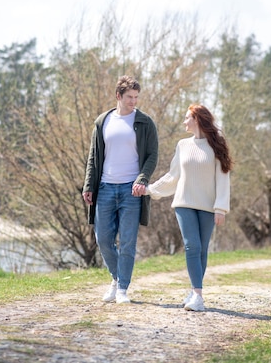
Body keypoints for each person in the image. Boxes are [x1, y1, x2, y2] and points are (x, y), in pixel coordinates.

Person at [141, 104, 232, 311]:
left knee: (201, 250)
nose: (184, 122)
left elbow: (223, 178)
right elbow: (173, 176)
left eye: (186, 118)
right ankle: (198, 297)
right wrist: (150, 189)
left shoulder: (217, 145)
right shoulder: (182, 145)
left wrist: (221, 208)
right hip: (184, 203)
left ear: (197, 119)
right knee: (192, 245)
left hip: (208, 206)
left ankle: (194, 291)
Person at [82, 75, 159, 304]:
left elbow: (152, 155)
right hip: (105, 187)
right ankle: (116, 278)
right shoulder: (103, 121)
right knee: (103, 239)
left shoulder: (145, 122)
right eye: (129, 97)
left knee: (127, 241)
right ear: (118, 96)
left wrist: (142, 179)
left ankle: (123, 288)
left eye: (136, 97)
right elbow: (94, 156)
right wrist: (89, 184)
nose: (133, 101)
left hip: (131, 190)